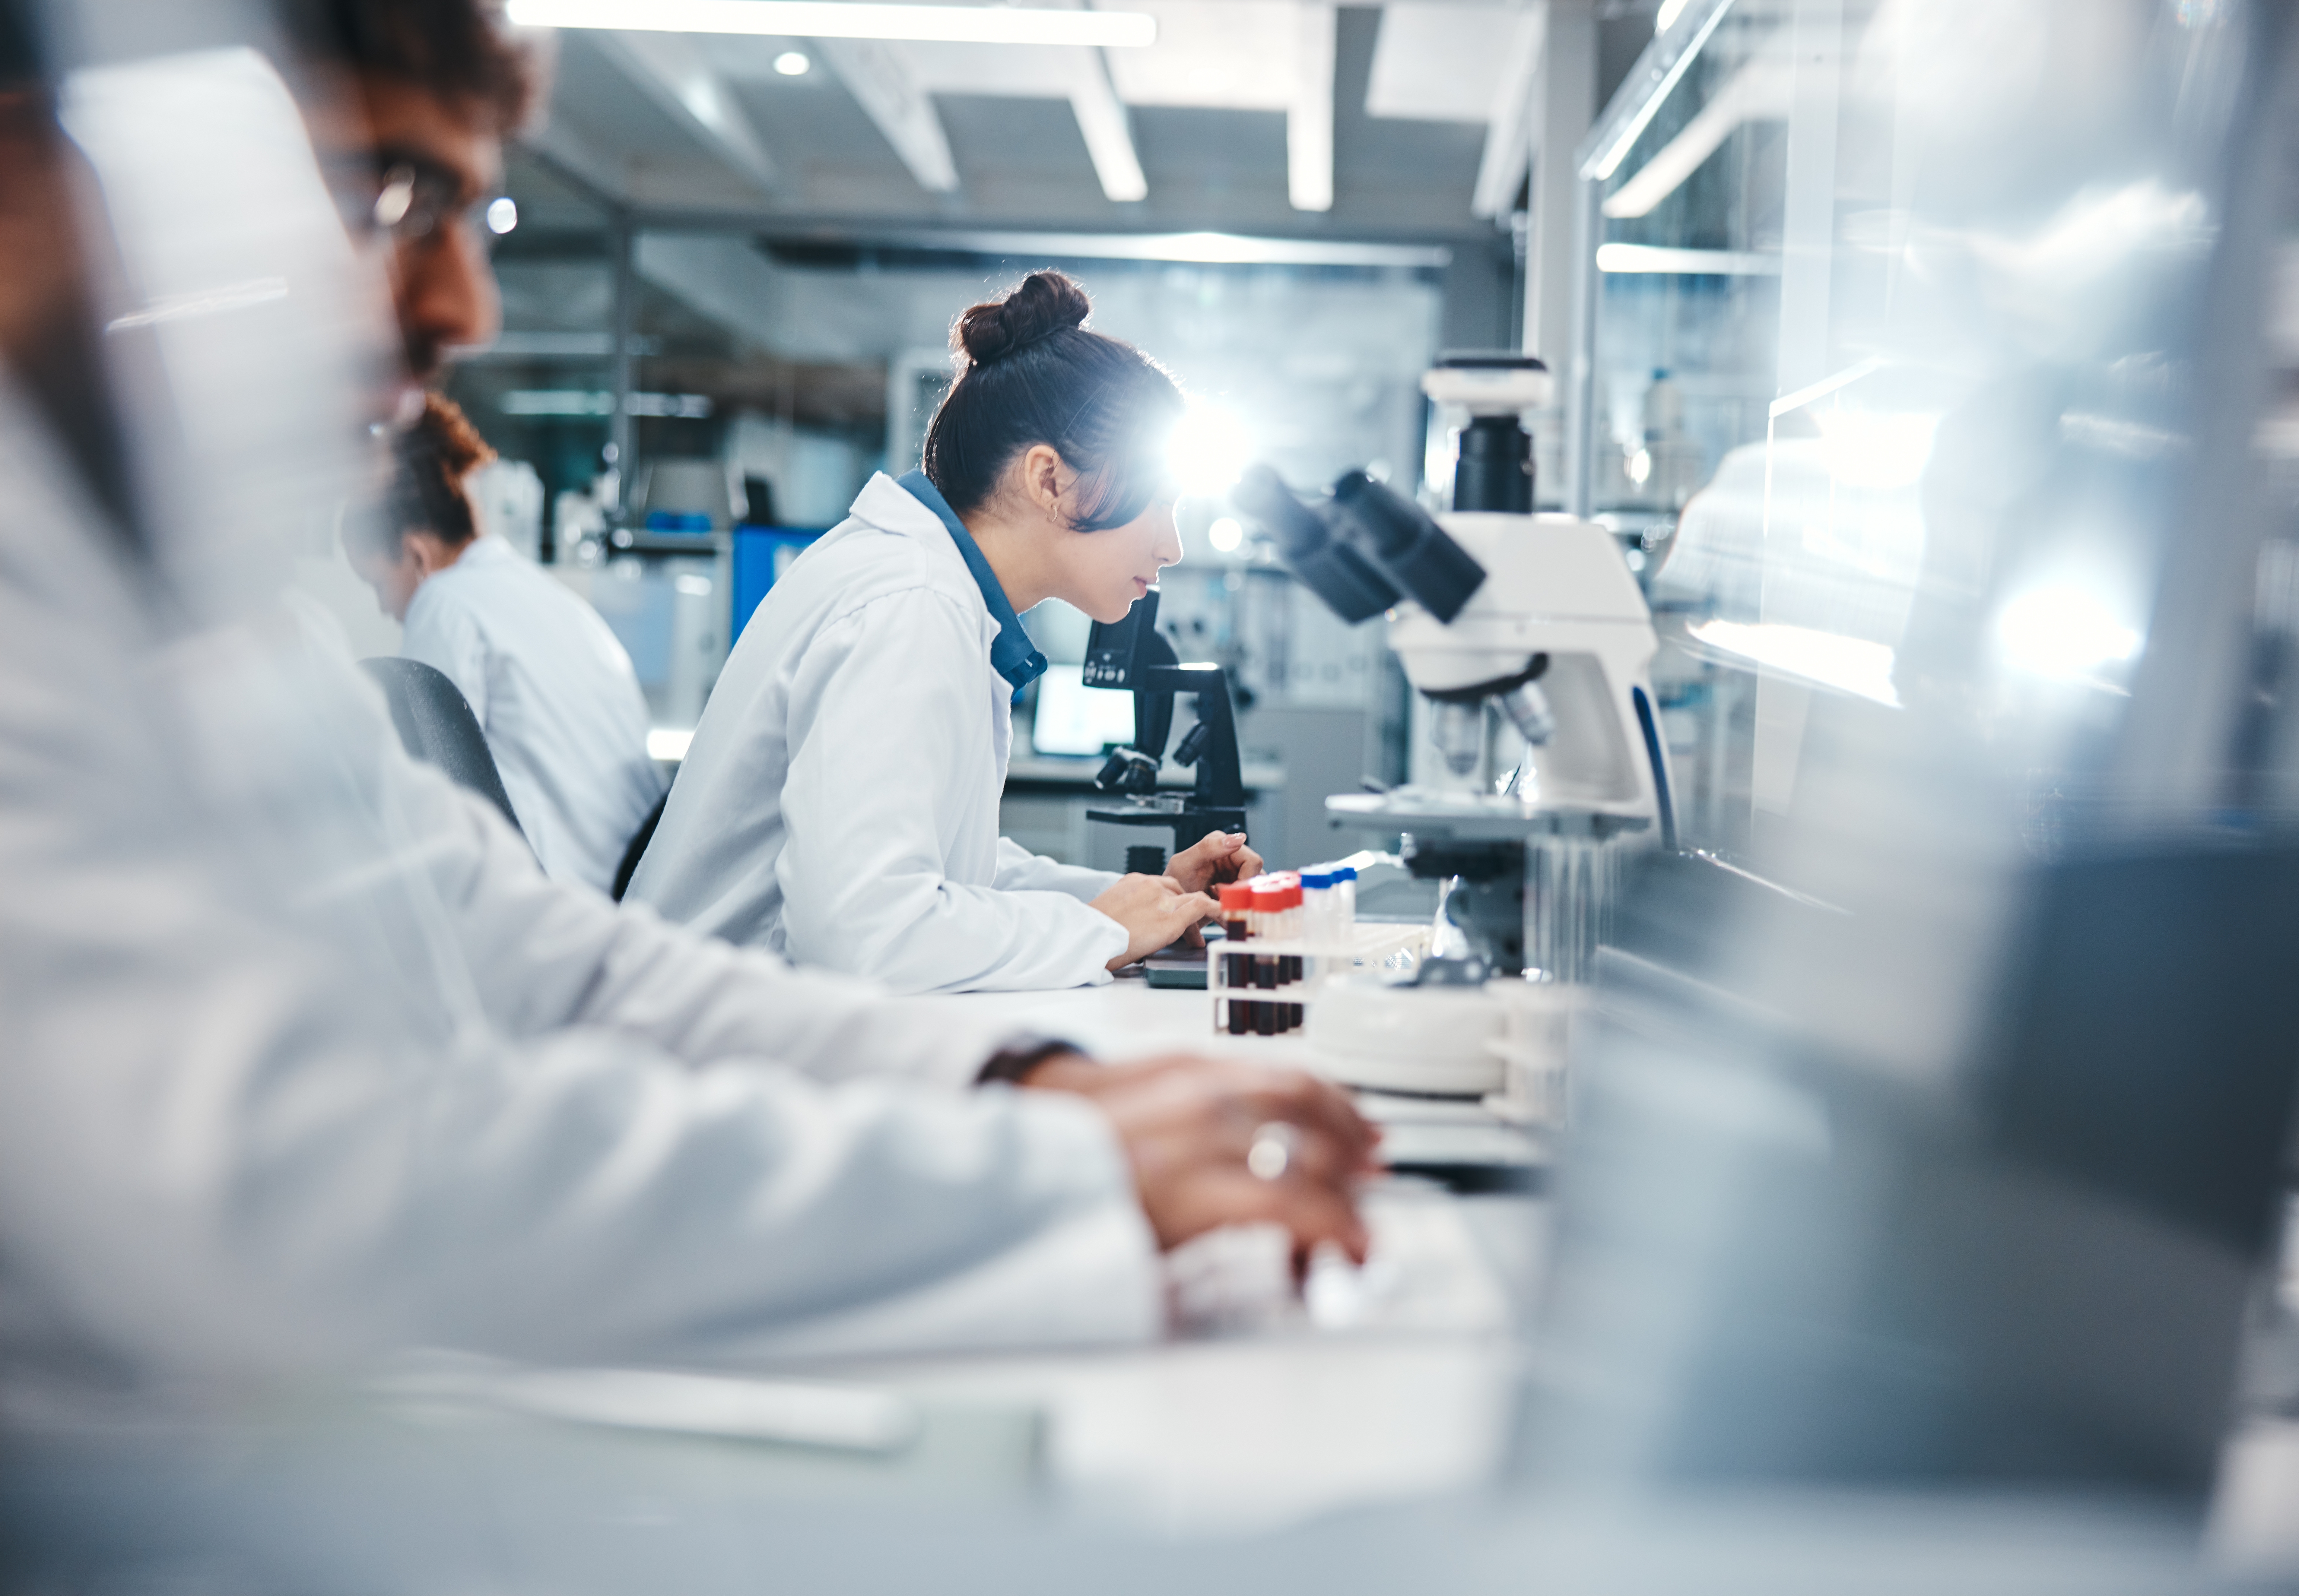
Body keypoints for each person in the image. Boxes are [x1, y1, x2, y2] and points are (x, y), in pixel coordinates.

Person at [0, 0, 1371, 1393]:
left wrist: (1035, 1088)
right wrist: (1047, 1169)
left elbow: (554, 967)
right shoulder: (905, 600)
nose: (464, 305)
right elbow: (293, 1191)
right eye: (388, 197)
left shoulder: (225, 639)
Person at [626, 272, 1262, 994]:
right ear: (1049, 479)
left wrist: (1141, 899)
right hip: (711, 1051)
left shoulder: (924, 586)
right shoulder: (910, 603)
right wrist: (1107, 932)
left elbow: (953, 874)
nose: (1173, 547)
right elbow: (862, 933)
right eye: (1159, 503)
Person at [345, 393, 666, 892]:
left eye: (377, 585)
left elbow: (426, 792)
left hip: (560, 897)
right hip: (625, 891)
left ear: (416, 556)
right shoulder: (554, 602)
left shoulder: (445, 600)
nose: (385, 607)